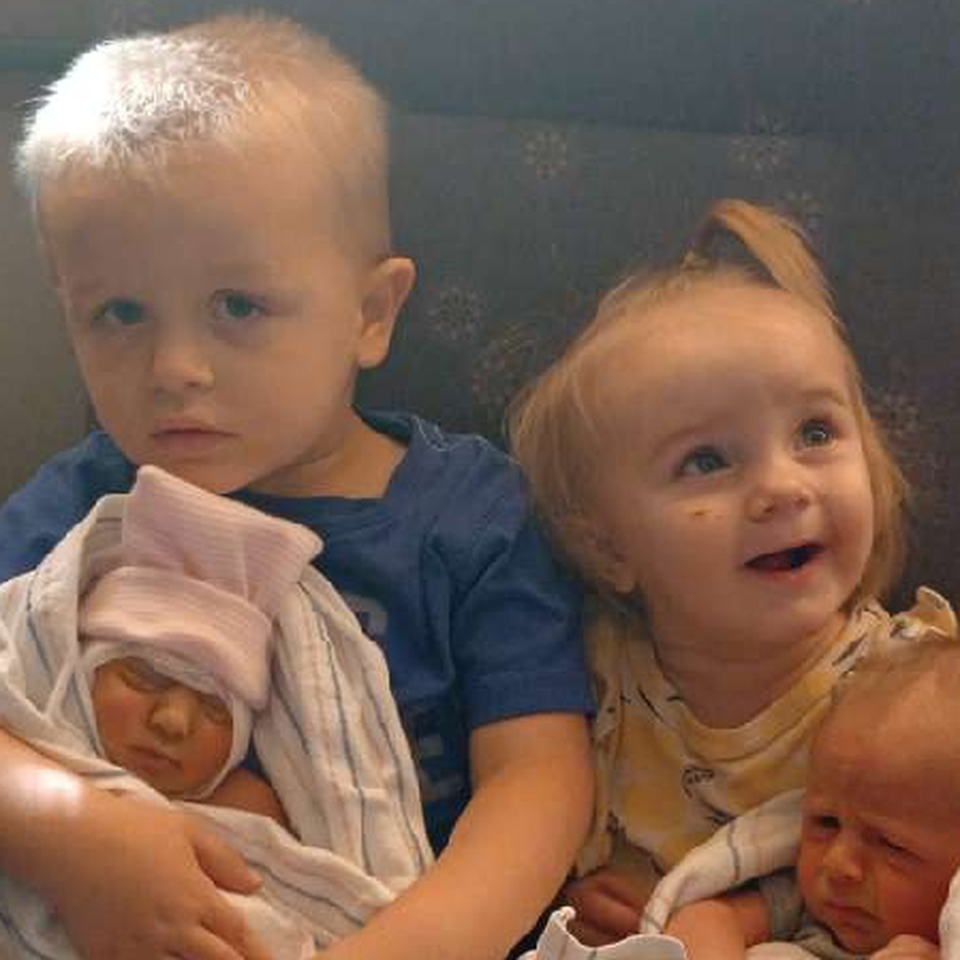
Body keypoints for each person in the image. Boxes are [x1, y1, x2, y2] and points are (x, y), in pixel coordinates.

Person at [0, 13, 594, 960]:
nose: (175, 368)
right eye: (120, 313)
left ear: (370, 313)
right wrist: (71, 832)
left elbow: (539, 785)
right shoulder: (86, 505)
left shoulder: (467, 515)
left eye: (237, 306)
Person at [509, 198, 955, 946]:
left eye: (815, 431)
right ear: (610, 547)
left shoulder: (920, 687)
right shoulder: (585, 677)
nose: (783, 486)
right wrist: (589, 900)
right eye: (706, 461)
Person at [0, 463, 434, 958]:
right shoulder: (24, 754)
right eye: (143, 678)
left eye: (215, 710)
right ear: (78, 676)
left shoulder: (251, 810)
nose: (172, 721)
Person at [663, 637, 960, 960]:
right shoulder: (802, 905)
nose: (837, 863)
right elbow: (702, 921)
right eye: (826, 823)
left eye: (891, 845)